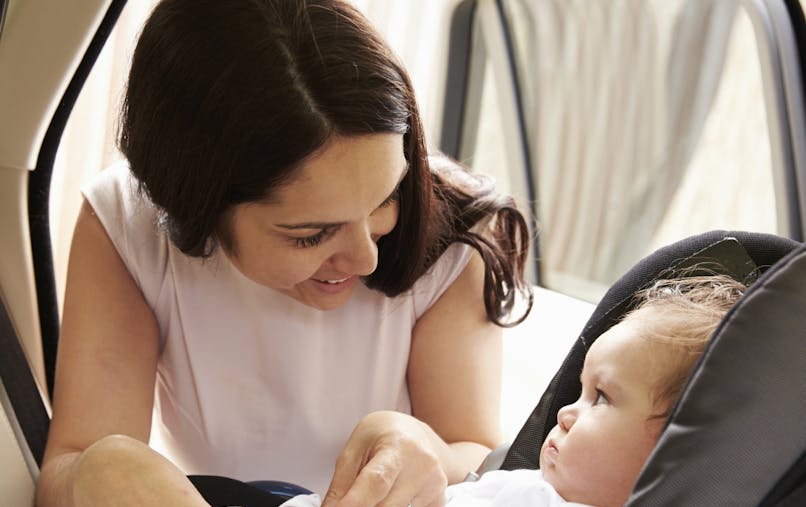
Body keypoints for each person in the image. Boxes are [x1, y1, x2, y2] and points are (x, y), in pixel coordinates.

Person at [35, 1, 533, 507]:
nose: (366, 260)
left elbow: (474, 451)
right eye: (311, 234)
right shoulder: (127, 226)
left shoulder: (451, 228)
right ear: (196, 207)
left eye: (385, 198)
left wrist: (430, 453)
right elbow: (69, 463)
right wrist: (104, 470)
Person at [276, 272, 747, 506]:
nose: (566, 412)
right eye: (580, 392)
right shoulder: (528, 487)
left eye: (600, 398)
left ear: (678, 450)